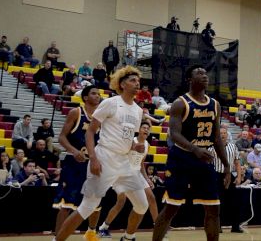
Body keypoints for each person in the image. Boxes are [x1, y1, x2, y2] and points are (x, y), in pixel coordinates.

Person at [54, 66, 148, 241]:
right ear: (122, 84)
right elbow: (90, 132)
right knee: (87, 207)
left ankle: (128, 238)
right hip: (105, 158)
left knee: (142, 205)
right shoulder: (110, 103)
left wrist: (135, 146)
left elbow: (127, 137)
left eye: (138, 81)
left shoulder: (138, 110)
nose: (137, 84)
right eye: (133, 81)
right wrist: (94, 159)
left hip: (125, 162)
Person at [152, 65, 230, 241]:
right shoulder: (180, 103)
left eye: (205, 74)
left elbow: (217, 137)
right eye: (199, 73)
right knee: (172, 207)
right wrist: (194, 148)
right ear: (189, 79)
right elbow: (175, 134)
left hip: (203, 160)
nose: (204, 76)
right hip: (181, 159)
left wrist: (226, 165)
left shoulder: (215, 105)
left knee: (213, 208)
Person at [53, 85, 102, 240]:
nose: (97, 96)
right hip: (73, 163)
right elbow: (61, 137)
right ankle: (57, 237)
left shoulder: (102, 117)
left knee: (96, 201)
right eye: (94, 93)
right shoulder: (76, 112)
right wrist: (74, 151)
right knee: (67, 203)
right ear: (85, 97)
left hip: (93, 163)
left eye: (99, 94)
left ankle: (91, 233)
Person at [98, 121, 159, 238]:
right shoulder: (131, 142)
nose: (146, 130)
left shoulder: (147, 145)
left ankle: (157, 226)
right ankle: (104, 227)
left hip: (137, 174)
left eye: (148, 128)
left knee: (151, 197)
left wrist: (147, 179)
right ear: (139, 130)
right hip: (123, 173)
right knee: (121, 202)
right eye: (144, 127)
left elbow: (141, 164)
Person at [212, 126, 244, 233]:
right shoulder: (212, 147)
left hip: (230, 175)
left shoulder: (233, 147)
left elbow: (237, 163)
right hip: (217, 176)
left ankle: (235, 226)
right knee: (218, 203)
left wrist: (239, 177)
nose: (223, 135)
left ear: (227, 134)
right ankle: (218, 226)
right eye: (221, 133)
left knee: (234, 202)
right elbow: (208, 163)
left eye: (224, 133)